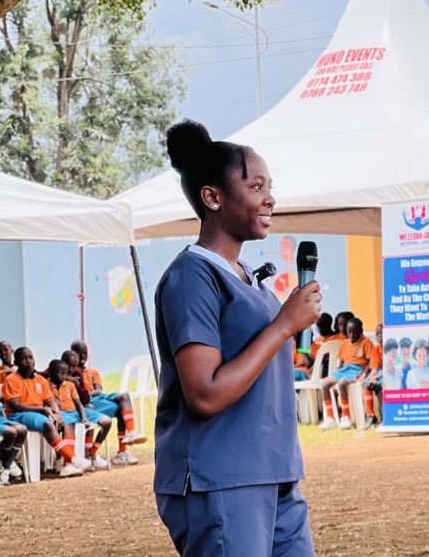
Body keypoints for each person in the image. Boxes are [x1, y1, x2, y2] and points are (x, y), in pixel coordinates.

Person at [153, 120, 321, 556]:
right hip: (222, 478)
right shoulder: (192, 277)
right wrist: (284, 325)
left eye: (270, 186)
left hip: (274, 470)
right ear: (213, 197)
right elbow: (204, 395)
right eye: (256, 186)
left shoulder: (247, 278)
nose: (270, 198)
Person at [3, 347, 89, 477]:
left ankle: (63, 465)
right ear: (16, 362)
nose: (28, 361)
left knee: (63, 421)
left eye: (30, 357)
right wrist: (42, 409)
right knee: (48, 423)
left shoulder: (40, 380)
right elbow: (15, 405)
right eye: (24, 359)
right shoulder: (12, 379)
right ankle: (73, 459)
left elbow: (50, 400)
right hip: (18, 415)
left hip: (37, 414)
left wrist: (57, 413)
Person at [71, 340, 147, 465]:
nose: (83, 356)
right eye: (79, 353)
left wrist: (88, 393)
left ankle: (129, 436)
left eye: (85, 353)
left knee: (124, 396)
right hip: (88, 402)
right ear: (73, 354)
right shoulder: (71, 373)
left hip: (100, 397)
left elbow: (99, 390)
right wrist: (85, 395)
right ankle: (92, 453)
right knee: (121, 409)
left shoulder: (92, 372)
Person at [48, 359, 112, 469]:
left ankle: (91, 453)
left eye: (65, 373)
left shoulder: (69, 385)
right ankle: (68, 462)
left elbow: (79, 404)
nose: (63, 376)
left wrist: (84, 417)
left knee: (107, 421)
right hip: (61, 413)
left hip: (76, 412)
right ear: (51, 372)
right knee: (69, 423)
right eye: (60, 373)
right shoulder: (46, 385)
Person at [319, 317, 372, 430]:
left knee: (342, 383)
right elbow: (341, 363)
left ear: (361, 331)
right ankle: (330, 418)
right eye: (349, 332)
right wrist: (337, 372)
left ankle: (345, 416)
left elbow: (370, 361)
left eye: (354, 332)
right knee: (325, 383)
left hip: (357, 369)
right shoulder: (344, 343)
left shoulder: (366, 342)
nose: (351, 335)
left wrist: (364, 374)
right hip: (345, 369)